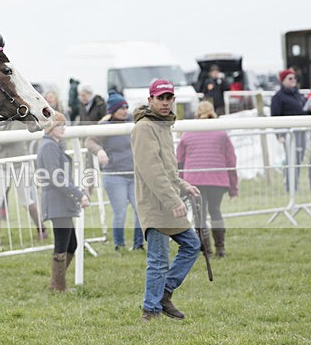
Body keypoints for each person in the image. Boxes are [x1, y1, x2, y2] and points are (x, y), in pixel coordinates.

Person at [131, 79, 201, 322]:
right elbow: (152, 171)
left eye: (169, 98)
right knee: (158, 260)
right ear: (150, 100)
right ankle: (150, 310)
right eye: (160, 98)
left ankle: (163, 294)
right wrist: (173, 199)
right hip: (155, 203)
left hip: (169, 202)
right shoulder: (144, 128)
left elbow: (168, 171)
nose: (165, 102)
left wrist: (183, 186)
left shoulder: (163, 126)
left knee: (192, 245)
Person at [176, 101, 238, 258]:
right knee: (215, 211)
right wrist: (233, 187)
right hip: (217, 180)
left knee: (200, 215)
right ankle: (221, 249)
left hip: (194, 180)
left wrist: (180, 184)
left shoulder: (187, 133)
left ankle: (206, 251)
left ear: (197, 114)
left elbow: (179, 161)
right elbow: (231, 161)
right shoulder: (221, 133)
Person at [36, 112, 90, 292]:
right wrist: (78, 194)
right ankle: (58, 286)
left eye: (64, 125)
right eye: (60, 125)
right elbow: (56, 176)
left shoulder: (53, 145)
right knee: (62, 243)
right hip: (56, 202)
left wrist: (76, 191)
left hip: (61, 202)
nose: (63, 128)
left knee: (71, 244)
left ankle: (56, 283)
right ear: (51, 127)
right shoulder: (49, 146)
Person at [85, 91, 144, 252]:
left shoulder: (133, 123)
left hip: (133, 175)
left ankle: (139, 244)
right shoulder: (105, 127)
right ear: (113, 110)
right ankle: (120, 245)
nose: (125, 110)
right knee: (120, 213)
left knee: (140, 211)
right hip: (114, 176)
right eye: (121, 108)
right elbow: (89, 141)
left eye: (126, 107)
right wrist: (99, 151)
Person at [0, 121, 46, 246]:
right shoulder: (0, 118)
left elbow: (9, 138)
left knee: (25, 200)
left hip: (19, 164)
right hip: (2, 163)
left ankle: (41, 229)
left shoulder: (19, 119)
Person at [270, 68, 307, 191]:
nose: (293, 80)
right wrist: (279, 134)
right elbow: (275, 116)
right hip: (288, 134)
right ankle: (290, 185)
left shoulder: (298, 95)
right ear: (283, 80)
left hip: (300, 132)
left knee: (299, 159)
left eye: (294, 78)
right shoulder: (278, 97)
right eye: (290, 78)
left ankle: (294, 184)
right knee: (291, 159)